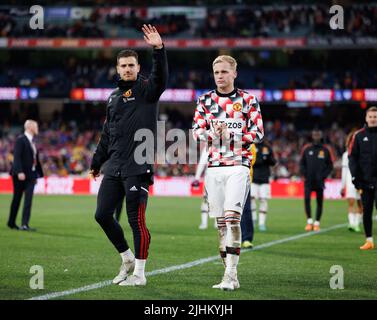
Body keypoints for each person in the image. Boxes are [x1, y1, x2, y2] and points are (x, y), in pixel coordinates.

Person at [89, 24, 168, 286]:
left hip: (138, 166)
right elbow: (107, 133)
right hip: (114, 167)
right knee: (101, 215)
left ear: (137, 67)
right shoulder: (112, 98)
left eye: (131, 65)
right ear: (117, 69)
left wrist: (158, 49)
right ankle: (126, 258)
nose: (127, 69)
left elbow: (161, 78)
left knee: (136, 221)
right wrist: (97, 162)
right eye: (123, 66)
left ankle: (140, 275)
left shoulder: (147, 90)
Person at [192, 55, 264, 290]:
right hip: (214, 168)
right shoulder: (205, 101)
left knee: (233, 218)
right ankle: (229, 274)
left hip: (238, 166)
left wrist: (233, 135)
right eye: (216, 72)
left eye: (224, 72)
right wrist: (212, 135)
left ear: (234, 73)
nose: (220, 76)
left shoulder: (248, 100)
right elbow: (196, 132)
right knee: (221, 224)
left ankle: (231, 274)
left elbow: (258, 133)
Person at [348, 106, 377, 250]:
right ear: (366, 118)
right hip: (364, 182)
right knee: (367, 211)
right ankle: (369, 240)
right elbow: (352, 158)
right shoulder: (358, 136)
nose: (373, 119)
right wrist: (355, 177)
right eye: (370, 116)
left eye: (375, 117)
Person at [7, 120, 43, 231]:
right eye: (36, 126)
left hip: (30, 175)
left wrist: (36, 175)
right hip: (20, 174)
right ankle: (11, 222)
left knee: (28, 200)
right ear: (30, 127)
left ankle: (24, 224)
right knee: (17, 198)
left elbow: (34, 160)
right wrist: (19, 172)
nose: (37, 128)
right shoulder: (21, 140)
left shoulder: (33, 141)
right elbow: (16, 157)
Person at [300, 129, 334, 232]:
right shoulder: (306, 149)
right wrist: (305, 174)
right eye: (314, 134)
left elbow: (330, 165)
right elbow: (302, 164)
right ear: (312, 136)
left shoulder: (325, 150)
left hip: (320, 181)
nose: (316, 137)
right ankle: (309, 222)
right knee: (307, 200)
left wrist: (324, 176)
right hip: (308, 181)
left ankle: (317, 223)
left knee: (319, 202)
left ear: (321, 136)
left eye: (318, 135)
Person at [250, 140, 276, 232]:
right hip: (253, 178)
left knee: (263, 200)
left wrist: (268, 158)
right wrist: (261, 160)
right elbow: (250, 161)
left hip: (264, 179)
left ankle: (262, 223)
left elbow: (273, 162)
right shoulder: (251, 146)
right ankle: (253, 219)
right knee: (251, 199)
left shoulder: (267, 147)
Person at [340, 130, 363, 232]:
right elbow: (344, 171)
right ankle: (352, 223)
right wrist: (342, 185)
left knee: (360, 203)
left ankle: (356, 223)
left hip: (361, 181)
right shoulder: (346, 155)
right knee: (352, 202)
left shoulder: (363, 153)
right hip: (350, 181)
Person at [191, 147, 216, 230]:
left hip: (219, 177)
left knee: (218, 200)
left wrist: (197, 178)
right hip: (210, 177)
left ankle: (216, 222)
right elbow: (202, 162)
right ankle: (204, 223)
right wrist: (197, 177)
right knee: (207, 199)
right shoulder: (208, 147)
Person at [240, 143, 257, 249]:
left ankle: (247, 238)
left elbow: (251, 160)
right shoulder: (228, 140)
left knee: (245, 210)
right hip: (229, 179)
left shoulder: (250, 144)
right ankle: (233, 237)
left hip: (243, 180)